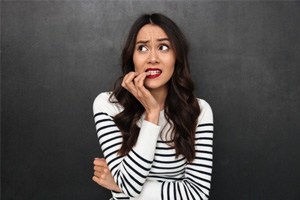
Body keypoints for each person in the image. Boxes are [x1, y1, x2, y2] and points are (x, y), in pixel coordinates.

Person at [92, 13, 213, 200]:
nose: (153, 58)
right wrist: (152, 114)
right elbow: (129, 185)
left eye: (163, 47)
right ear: (132, 57)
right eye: (142, 48)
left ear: (177, 57)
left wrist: (118, 185)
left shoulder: (199, 111)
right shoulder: (108, 105)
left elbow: (197, 194)